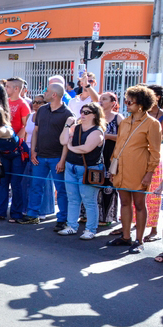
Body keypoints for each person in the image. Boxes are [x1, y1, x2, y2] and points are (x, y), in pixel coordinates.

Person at [108, 85, 162, 253]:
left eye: (129, 101)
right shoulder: (124, 121)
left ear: (141, 103)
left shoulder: (152, 124)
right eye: (126, 100)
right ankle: (125, 237)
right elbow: (118, 146)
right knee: (124, 202)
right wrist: (112, 167)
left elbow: (155, 152)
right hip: (121, 169)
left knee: (139, 204)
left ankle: (139, 240)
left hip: (139, 170)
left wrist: (149, 174)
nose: (126, 103)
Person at [18, 83, 71, 229]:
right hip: (40, 156)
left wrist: (62, 160)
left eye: (47, 91)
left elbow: (67, 140)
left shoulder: (67, 113)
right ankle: (32, 215)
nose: (44, 93)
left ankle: (63, 219)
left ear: (54, 95)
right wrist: (33, 150)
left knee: (61, 190)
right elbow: (35, 131)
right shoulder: (41, 110)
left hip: (57, 158)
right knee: (36, 186)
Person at [57, 102, 106, 239]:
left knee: (89, 200)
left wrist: (71, 147)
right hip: (71, 166)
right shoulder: (76, 128)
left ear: (95, 115)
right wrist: (67, 124)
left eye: (87, 112)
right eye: (81, 111)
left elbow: (86, 148)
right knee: (73, 199)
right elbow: (63, 141)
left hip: (89, 169)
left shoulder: (97, 131)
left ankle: (91, 229)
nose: (82, 114)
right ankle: (72, 226)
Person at [0, 85, 25, 222]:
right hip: (4, 154)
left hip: (18, 154)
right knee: (3, 183)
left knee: (15, 184)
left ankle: (16, 214)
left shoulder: (2, 129)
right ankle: (0, 212)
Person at [142, 84, 163, 243]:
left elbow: (158, 139)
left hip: (153, 157)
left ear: (157, 97)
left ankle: (153, 229)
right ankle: (134, 224)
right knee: (135, 191)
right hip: (138, 156)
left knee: (153, 194)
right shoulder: (141, 112)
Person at [98, 91, 123, 228]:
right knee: (94, 183)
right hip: (96, 155)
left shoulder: (118, 117)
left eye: (104, 99)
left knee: (108, 185)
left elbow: (124, 137)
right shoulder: (96, 116)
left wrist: (107, 136)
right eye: (100, 99)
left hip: (111, 155)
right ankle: (90, 215)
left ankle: (107, 216)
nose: (101, 101)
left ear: (113, 102)